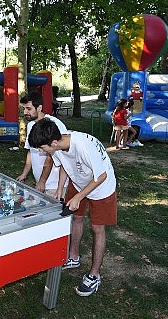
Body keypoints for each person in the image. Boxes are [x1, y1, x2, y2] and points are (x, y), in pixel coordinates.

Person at [28, 118, 117, 297]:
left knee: (97, 229)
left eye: (42, 148)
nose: (40, 151)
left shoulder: (84, 146)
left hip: (101, 187)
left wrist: (79, 196)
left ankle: (94, 275)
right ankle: (73, 257)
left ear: (52, 143)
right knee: (76, 217)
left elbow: (101, 176)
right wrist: (60, 189)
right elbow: (64, 166)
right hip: (79, 181)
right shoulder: (58, 145)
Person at [16, 91, 68, 198]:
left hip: (54, 184)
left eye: (29, 109)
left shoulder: (55, 124)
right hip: (40, 181)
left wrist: (42, 181)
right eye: (24, 109)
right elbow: (30, 151)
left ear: (39, 108)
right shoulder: (30, 125)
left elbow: (51, 157)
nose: (25, 112)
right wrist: (24, 174)